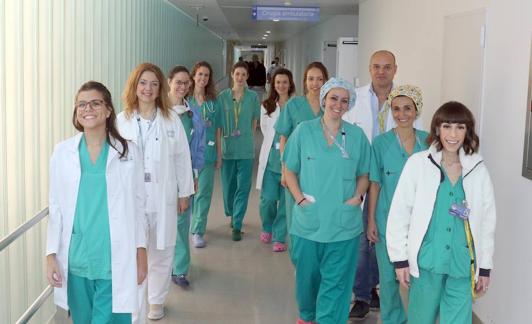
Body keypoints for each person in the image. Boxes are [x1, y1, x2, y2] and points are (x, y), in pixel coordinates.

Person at [46, 81, 147, 323]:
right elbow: (56, 207)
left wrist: (140, 253)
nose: (87, 108)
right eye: (81, 104)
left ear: (109, 109)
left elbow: (138, 206)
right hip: (77, 258)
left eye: (95, 103)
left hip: (114, 258)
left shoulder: (128, 152)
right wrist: (50, 255)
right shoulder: (62, 153)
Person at [387, 101, 496, 324]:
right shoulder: (418, 164)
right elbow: (400, 213)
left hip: (461, 264)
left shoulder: (478, 170)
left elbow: (487, 222)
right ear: (437, 129)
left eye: (460, 127)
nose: (453, 134)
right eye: (447, 126)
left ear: (468, 132)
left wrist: (484, 267)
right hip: (428, 261)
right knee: (421, 320)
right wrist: (400, 260)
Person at [283, 78, 370, 324]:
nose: (338, 104)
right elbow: (289, 169)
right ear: (323, 100)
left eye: (344, 100)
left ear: (349, 104)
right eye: (333, 98)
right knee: (307, 281)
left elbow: (364, 173)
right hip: (309, 222)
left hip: (343, 225)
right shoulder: (304, 131)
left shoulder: (356, 136)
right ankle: (307, 316)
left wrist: (358, 197)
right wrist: (299, 199)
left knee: (337, 284)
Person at [117, 62, 194, 322]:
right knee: (133, 253)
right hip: (132, 200)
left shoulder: (171, 119)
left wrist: (184, 193)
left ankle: (156, 301)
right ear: (134, 86)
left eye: (153, 83)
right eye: (143, 83)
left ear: (160, 88)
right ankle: (134, 302)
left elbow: (183, 158)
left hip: (163, 197)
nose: (148, 88)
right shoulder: (121, 120)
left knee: (162, 252)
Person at [343, 50, 417, 319]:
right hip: (364, 175)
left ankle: (376, 288)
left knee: (386, 242)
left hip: (394, 180)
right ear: (369, 68)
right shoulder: (356, 99)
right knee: (365, 240)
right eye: (376, 66)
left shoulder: (406, 100)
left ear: (395, 69)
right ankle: (362, 295)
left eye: (387, 67)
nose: (381, 71)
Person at [366, 85, 428, 324]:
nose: (402, 114)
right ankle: (393, 319)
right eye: (396, 109)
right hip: (386, 219)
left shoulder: (428, 142)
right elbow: (375, 183)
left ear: (416, 110)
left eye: (408, 108)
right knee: (389, 278)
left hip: (420, 224)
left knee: (418, 276)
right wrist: (371, 219)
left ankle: (417, 318)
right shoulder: (381, 143)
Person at [275, 61, 328, 240]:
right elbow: (284, 138)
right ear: (305, 81)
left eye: (319, 79)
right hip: (296, 170)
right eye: (311, 79)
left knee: (320, 214)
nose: (315, 83)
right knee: (296, 216)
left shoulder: (330, 106)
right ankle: (298, 258)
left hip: (323, 170)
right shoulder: (293, 104)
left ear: (326, 81)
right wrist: (284, 170)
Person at [165, 65, 206, 289]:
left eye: (185, 83)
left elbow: (197, 147)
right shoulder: (158, 112)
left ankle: (179, 269)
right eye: (177, 82)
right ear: (169, 82)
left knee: (181, 221)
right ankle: (161, 266)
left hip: (184, 175)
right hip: (160, 176)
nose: (182, 86)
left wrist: (195, 174)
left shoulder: (193, 114)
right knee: (160, 222)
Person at [218, 61, 261, 241]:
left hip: (245, 150)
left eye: (244, 75)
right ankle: (232, 212)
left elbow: (254, 121)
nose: (240, 78)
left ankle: (237, 223)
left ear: (247, 77)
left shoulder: (252, 97)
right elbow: (219, 125)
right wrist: (219, 150)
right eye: (237, 74)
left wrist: (249, 139)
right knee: (229, 187)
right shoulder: (223, 97)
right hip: (228, 148)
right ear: (232, 75)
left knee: (243, 187)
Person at [256, 68, 296, 252]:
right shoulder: (267, 105)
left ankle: (280, 236)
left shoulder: (296, 105)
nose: (281, 85)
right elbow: (265, 129)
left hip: (289, 160)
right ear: (273, 84)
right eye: (278, 82)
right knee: (268, 200)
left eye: (285, 82)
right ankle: (267, 226)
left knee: (286, 202)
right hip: (271, 159)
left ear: (290, 84)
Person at [189, 61, 223, 248]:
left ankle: (198, 230)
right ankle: (194, 222)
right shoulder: (186, 101)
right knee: (191, 192)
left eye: (206, 75)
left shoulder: (213, 103)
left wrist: (219, 155)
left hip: (208, 154)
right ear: (193, 76)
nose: (203, 78)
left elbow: (217, 129)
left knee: (204, 193)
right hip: (188, 155)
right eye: (200, 74)